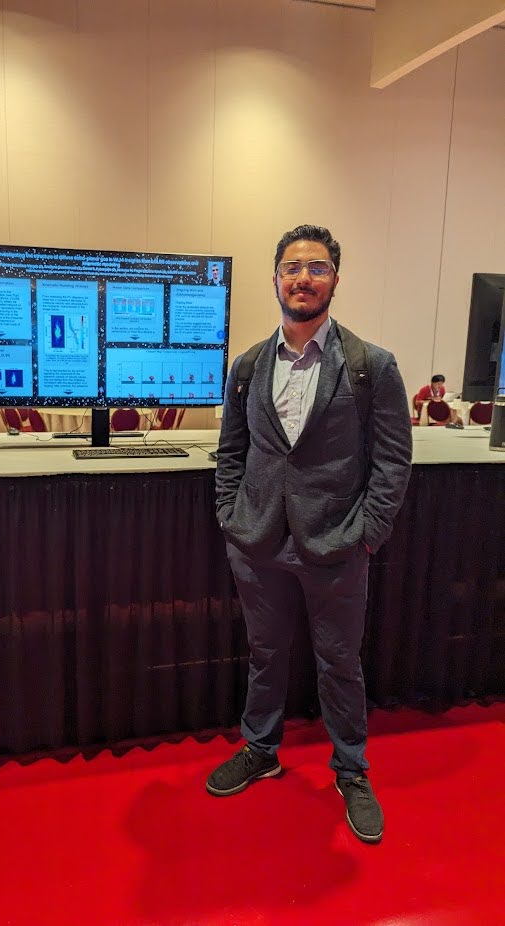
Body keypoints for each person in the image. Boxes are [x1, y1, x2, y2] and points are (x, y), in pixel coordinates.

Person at [208, 224, 413, 844]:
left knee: (339, 663)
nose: (303, 278)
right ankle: (261, 748)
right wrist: (230, 516)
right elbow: (231, 452)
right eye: (292, 268)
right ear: (275, 279)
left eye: (316, 268)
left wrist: (369, 533)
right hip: (259, 542)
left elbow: (393, 461)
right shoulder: (247, 365)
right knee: (266, 655)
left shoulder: (370, 366)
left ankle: (351, 772)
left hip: (337, 544)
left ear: (334, 280)